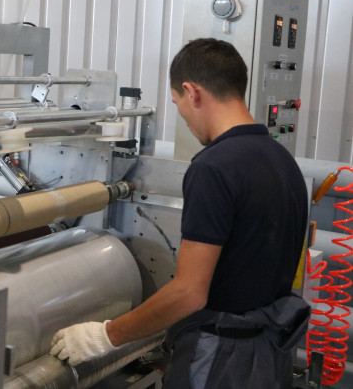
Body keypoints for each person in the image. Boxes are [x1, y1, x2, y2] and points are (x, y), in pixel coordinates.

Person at [50, 38, 310, 388]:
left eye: (177, 103)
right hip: (271, 354)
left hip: (220, 360)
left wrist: (105, 336)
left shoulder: (213, 168)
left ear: (192, 92)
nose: (183, 117)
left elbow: (189, 293)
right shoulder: (283, 161)